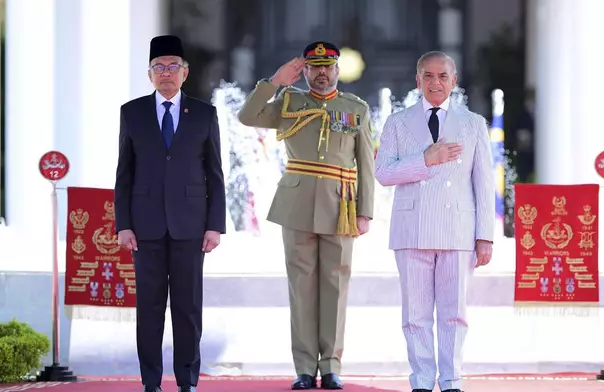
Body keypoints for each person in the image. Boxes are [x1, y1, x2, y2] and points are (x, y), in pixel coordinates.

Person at [237, 41, 375, 390]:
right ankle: (303, 368)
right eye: (314, 67)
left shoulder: (355, 108)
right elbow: (247, 116)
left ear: (337, 71)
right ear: (307, 71)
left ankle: (330, 367)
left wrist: (365, 212)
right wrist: (276, 81)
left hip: (341, 206)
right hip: (296, 205)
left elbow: (366, 165)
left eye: (327, 67)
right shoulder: (288, 102)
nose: (321, 73)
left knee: (335, 287)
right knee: (301, 289)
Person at [374, 51, 495, 392]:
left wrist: (484, 235)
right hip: (412, 229)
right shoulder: (397, 122)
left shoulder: (472, 123)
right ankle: (423, 381)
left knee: (454, 313)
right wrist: (425, 159)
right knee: (415, 315)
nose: (435, 82)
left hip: (458, 229)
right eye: (428, 76)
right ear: (418, 81)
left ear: (453, 81)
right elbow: (382, 173)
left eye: (443, 76)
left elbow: (484, 184)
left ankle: (452, 380)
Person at [114, 35, 226, 392]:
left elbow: (215, 173)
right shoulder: (131, 113)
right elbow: (124, 173)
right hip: (144, 227)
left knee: (188, 309)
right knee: (148, 309)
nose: (166, 73)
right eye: (158, 67)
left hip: (191, 226)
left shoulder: (204, 114)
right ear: (149, 74)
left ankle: (187, 381)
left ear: (185, 72)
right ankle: (151, 382)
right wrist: (123, 225)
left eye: (172, 66)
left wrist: (215, 226)